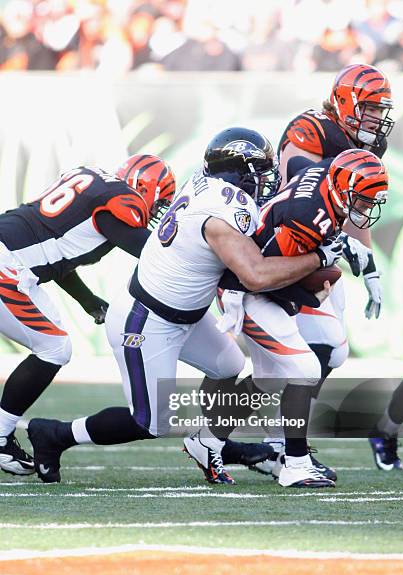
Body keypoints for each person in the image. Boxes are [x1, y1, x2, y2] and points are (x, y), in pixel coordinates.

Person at [26, 126, 342, 484]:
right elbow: (254, 274)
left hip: (187, 315)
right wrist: (317, 258)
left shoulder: (208, 186)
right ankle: (55, 434)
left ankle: (208, 443)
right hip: (145, 320)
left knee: (228, 365)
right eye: (260, 172)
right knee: (150, 423)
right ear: (239, 173)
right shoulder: (223, 212)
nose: (266, 180)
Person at [202, 148, 389, 487]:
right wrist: (308, 292)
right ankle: (296, 463)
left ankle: (208, 439)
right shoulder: (307, 216)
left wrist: (342, 244)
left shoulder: (330, 174)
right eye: (361, 200)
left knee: (290, 369)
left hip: (264, 276)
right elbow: (263, 277)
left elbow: (304, 166)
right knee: (303, 369)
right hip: (244, 289)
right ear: (343, 189)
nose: (365, 209)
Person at [249, 62, 395, 477]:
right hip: (286, 249)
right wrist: (338, 247)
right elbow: (304, 184)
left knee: (327, 353)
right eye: (370, 108)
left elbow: (357, 209)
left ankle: (279, 443)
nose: (376, 119)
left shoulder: (363, 144)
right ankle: (265, 445)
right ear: (347, 103)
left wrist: (368, 268)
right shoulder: (310, 129)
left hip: (323, 249)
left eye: (380, 110)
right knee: (308, 356)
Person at [0, 153, 175, 476]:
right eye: (161, 201)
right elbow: (153, 254)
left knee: (54, 346)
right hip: (8, 266)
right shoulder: (120, 202)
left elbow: (59, 255)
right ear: (147, 188)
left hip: (11, 257)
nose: (157, 209)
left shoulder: (94, 186)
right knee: (54, 348)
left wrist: (88, 301)